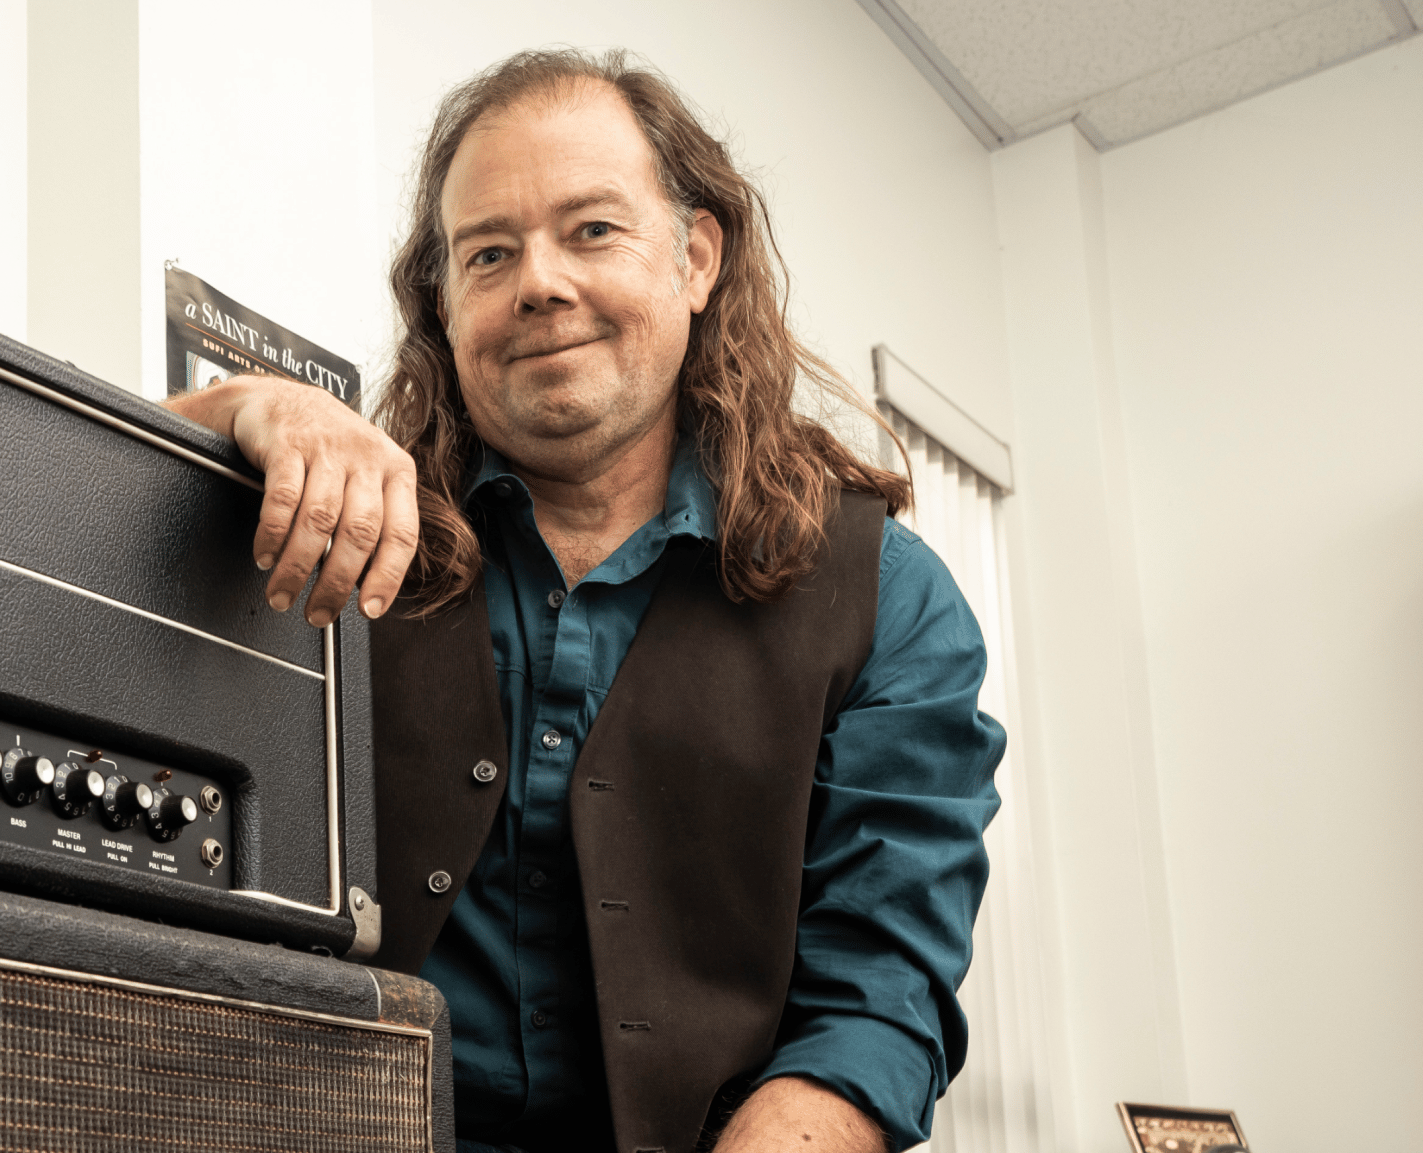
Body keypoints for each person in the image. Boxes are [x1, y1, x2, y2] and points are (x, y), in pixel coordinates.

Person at [164, 50, 1004, 1153]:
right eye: (489, 253)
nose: (539, 283)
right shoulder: (337, 531)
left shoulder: (890, 596)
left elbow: (878, 998)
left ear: (695, 258)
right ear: (444, 305)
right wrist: (249, 410)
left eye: (592, 230)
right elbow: (74, 516)